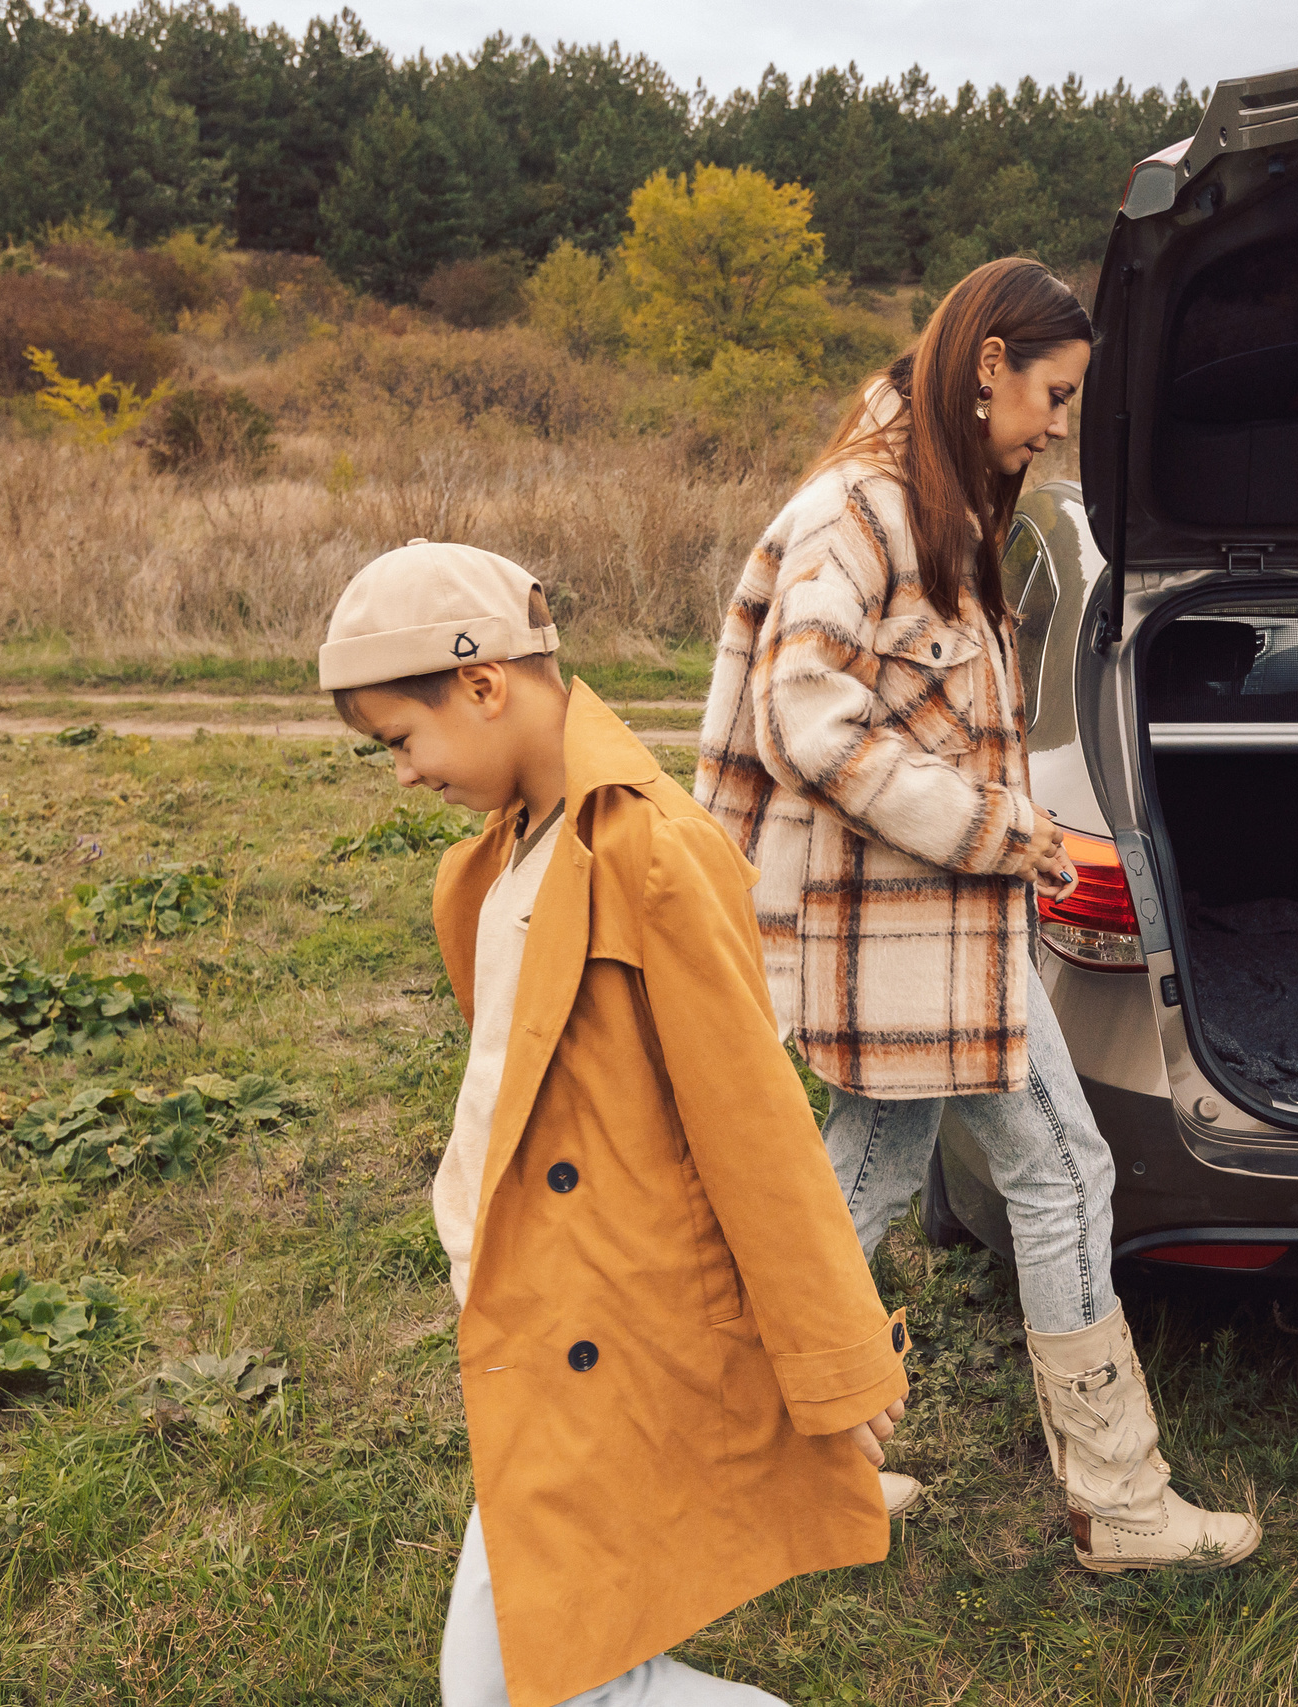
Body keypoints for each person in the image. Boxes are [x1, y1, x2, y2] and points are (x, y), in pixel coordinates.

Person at [697, 258, 1260, 1574]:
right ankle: (1117, 1501)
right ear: (988, 359)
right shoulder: (865, 508)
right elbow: (810, 719)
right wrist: (1009, 830)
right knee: (1066, 1168)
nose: (1058, 422)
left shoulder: (921, 500)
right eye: (1052, 394)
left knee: (871, 1174)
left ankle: (744, 1454)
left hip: (920, 936)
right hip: (904, 931)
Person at [321, 540, 910, 1707]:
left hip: (612, 1323)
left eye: (400, 740)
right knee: (556, 1661)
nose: (400, 774)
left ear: (485, 683)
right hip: (535, 1311)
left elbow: (755, 1127)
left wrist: (837, 1370)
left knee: (533, 1684)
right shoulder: (490, 866)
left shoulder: (650, 852)